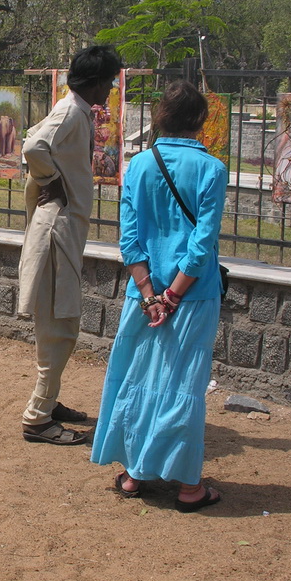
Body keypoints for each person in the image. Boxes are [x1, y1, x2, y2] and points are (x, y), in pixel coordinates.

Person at [90, 79, 227, 511]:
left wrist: (151, 294)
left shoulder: (139, 166)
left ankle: (134, 473)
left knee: (138, 379)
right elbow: (201, 245)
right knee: (183, 386)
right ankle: (188, 487)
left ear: (159, 118)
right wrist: (173, 296)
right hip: (193, 296)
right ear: (200, 120)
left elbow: (129, 238)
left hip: (143, 296)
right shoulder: (212, 169)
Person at [18, 45, 123, 445]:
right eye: (109, 82)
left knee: (57, 325)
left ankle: (49, 401)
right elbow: (32, 147)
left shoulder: (74, 110)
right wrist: (50, 181)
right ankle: (37, 418)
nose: (110, 89)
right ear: (94, 82)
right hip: (56, 233)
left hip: (60, 230)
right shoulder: (71, 112)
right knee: (61, 327)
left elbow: (35, 139)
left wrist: (51, 179)